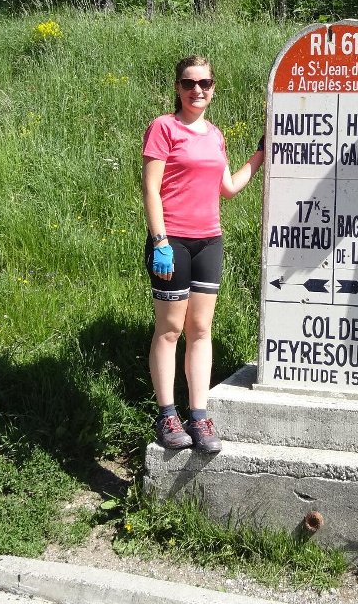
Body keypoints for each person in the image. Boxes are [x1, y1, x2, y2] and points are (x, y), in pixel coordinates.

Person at [142, 55, 264, 452]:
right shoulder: (164, 127)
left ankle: (198, 415)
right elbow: (151, 189)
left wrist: (260, 155)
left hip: (209, 240)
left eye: (206, 83)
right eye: (189, 83)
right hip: (172, 240)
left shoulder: (214, 134)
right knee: (171, 329)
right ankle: (167, 414)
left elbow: (226, 187)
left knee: (200, 330)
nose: (198, 90)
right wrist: (159, 240)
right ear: (177, 87)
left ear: (214, 87)